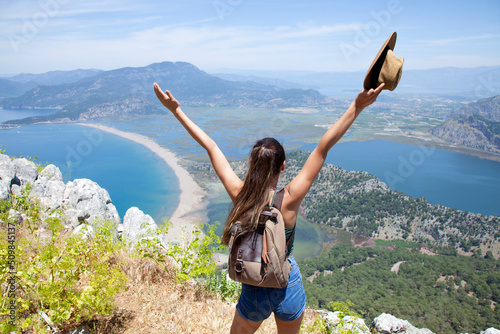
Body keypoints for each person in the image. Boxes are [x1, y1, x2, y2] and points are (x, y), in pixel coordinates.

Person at [153, 82, 384, 334]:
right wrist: (357, 105)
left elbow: (210, 146)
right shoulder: (290, 198)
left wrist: (176, 110)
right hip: (287, 283)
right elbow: (323, 147)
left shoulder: (240, 196)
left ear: (251, 163)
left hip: (253, 286)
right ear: (283, 166)